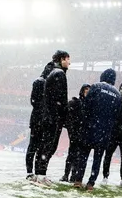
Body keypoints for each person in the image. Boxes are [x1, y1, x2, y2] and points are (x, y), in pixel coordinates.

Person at [74, 68, 121, 191]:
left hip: (90, 128)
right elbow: (117, 115)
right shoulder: (117, 94)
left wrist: (85, 123)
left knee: (83, 155)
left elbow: (86, 106)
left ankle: (78, 180)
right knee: (98, 158)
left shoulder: (95, 87)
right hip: (105, 132)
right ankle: (91, 183)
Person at [34, 50, 70, 186]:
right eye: (67, 59)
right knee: (48, 146)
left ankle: (39, 174)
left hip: (47, 115)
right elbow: (60, 99)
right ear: (62, 59)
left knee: (44, 145)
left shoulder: (51, 72)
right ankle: (41, 175)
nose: (69, 62)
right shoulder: (59, 74)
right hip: (53, 117)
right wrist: (62, 116)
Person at [25, 62, 54, 180]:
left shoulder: (39, 82)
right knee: (37, 147)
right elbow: (34, 101)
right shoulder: (44, 83)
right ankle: (33, 172)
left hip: (37, 119)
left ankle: (31, 172)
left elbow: (33, 101)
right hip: (42, 120)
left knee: (33, 146)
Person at [60, 83, 91, 182]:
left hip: (83, 134)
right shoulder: (75, 102)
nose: (87, 91)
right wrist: (71, 130)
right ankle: (66, 175)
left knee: (78, 156)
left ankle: (73, 176)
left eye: (88, 89)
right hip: (75, 133)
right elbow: (68, 117)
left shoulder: (89, 105)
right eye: (86, 89)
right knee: (72, 154)